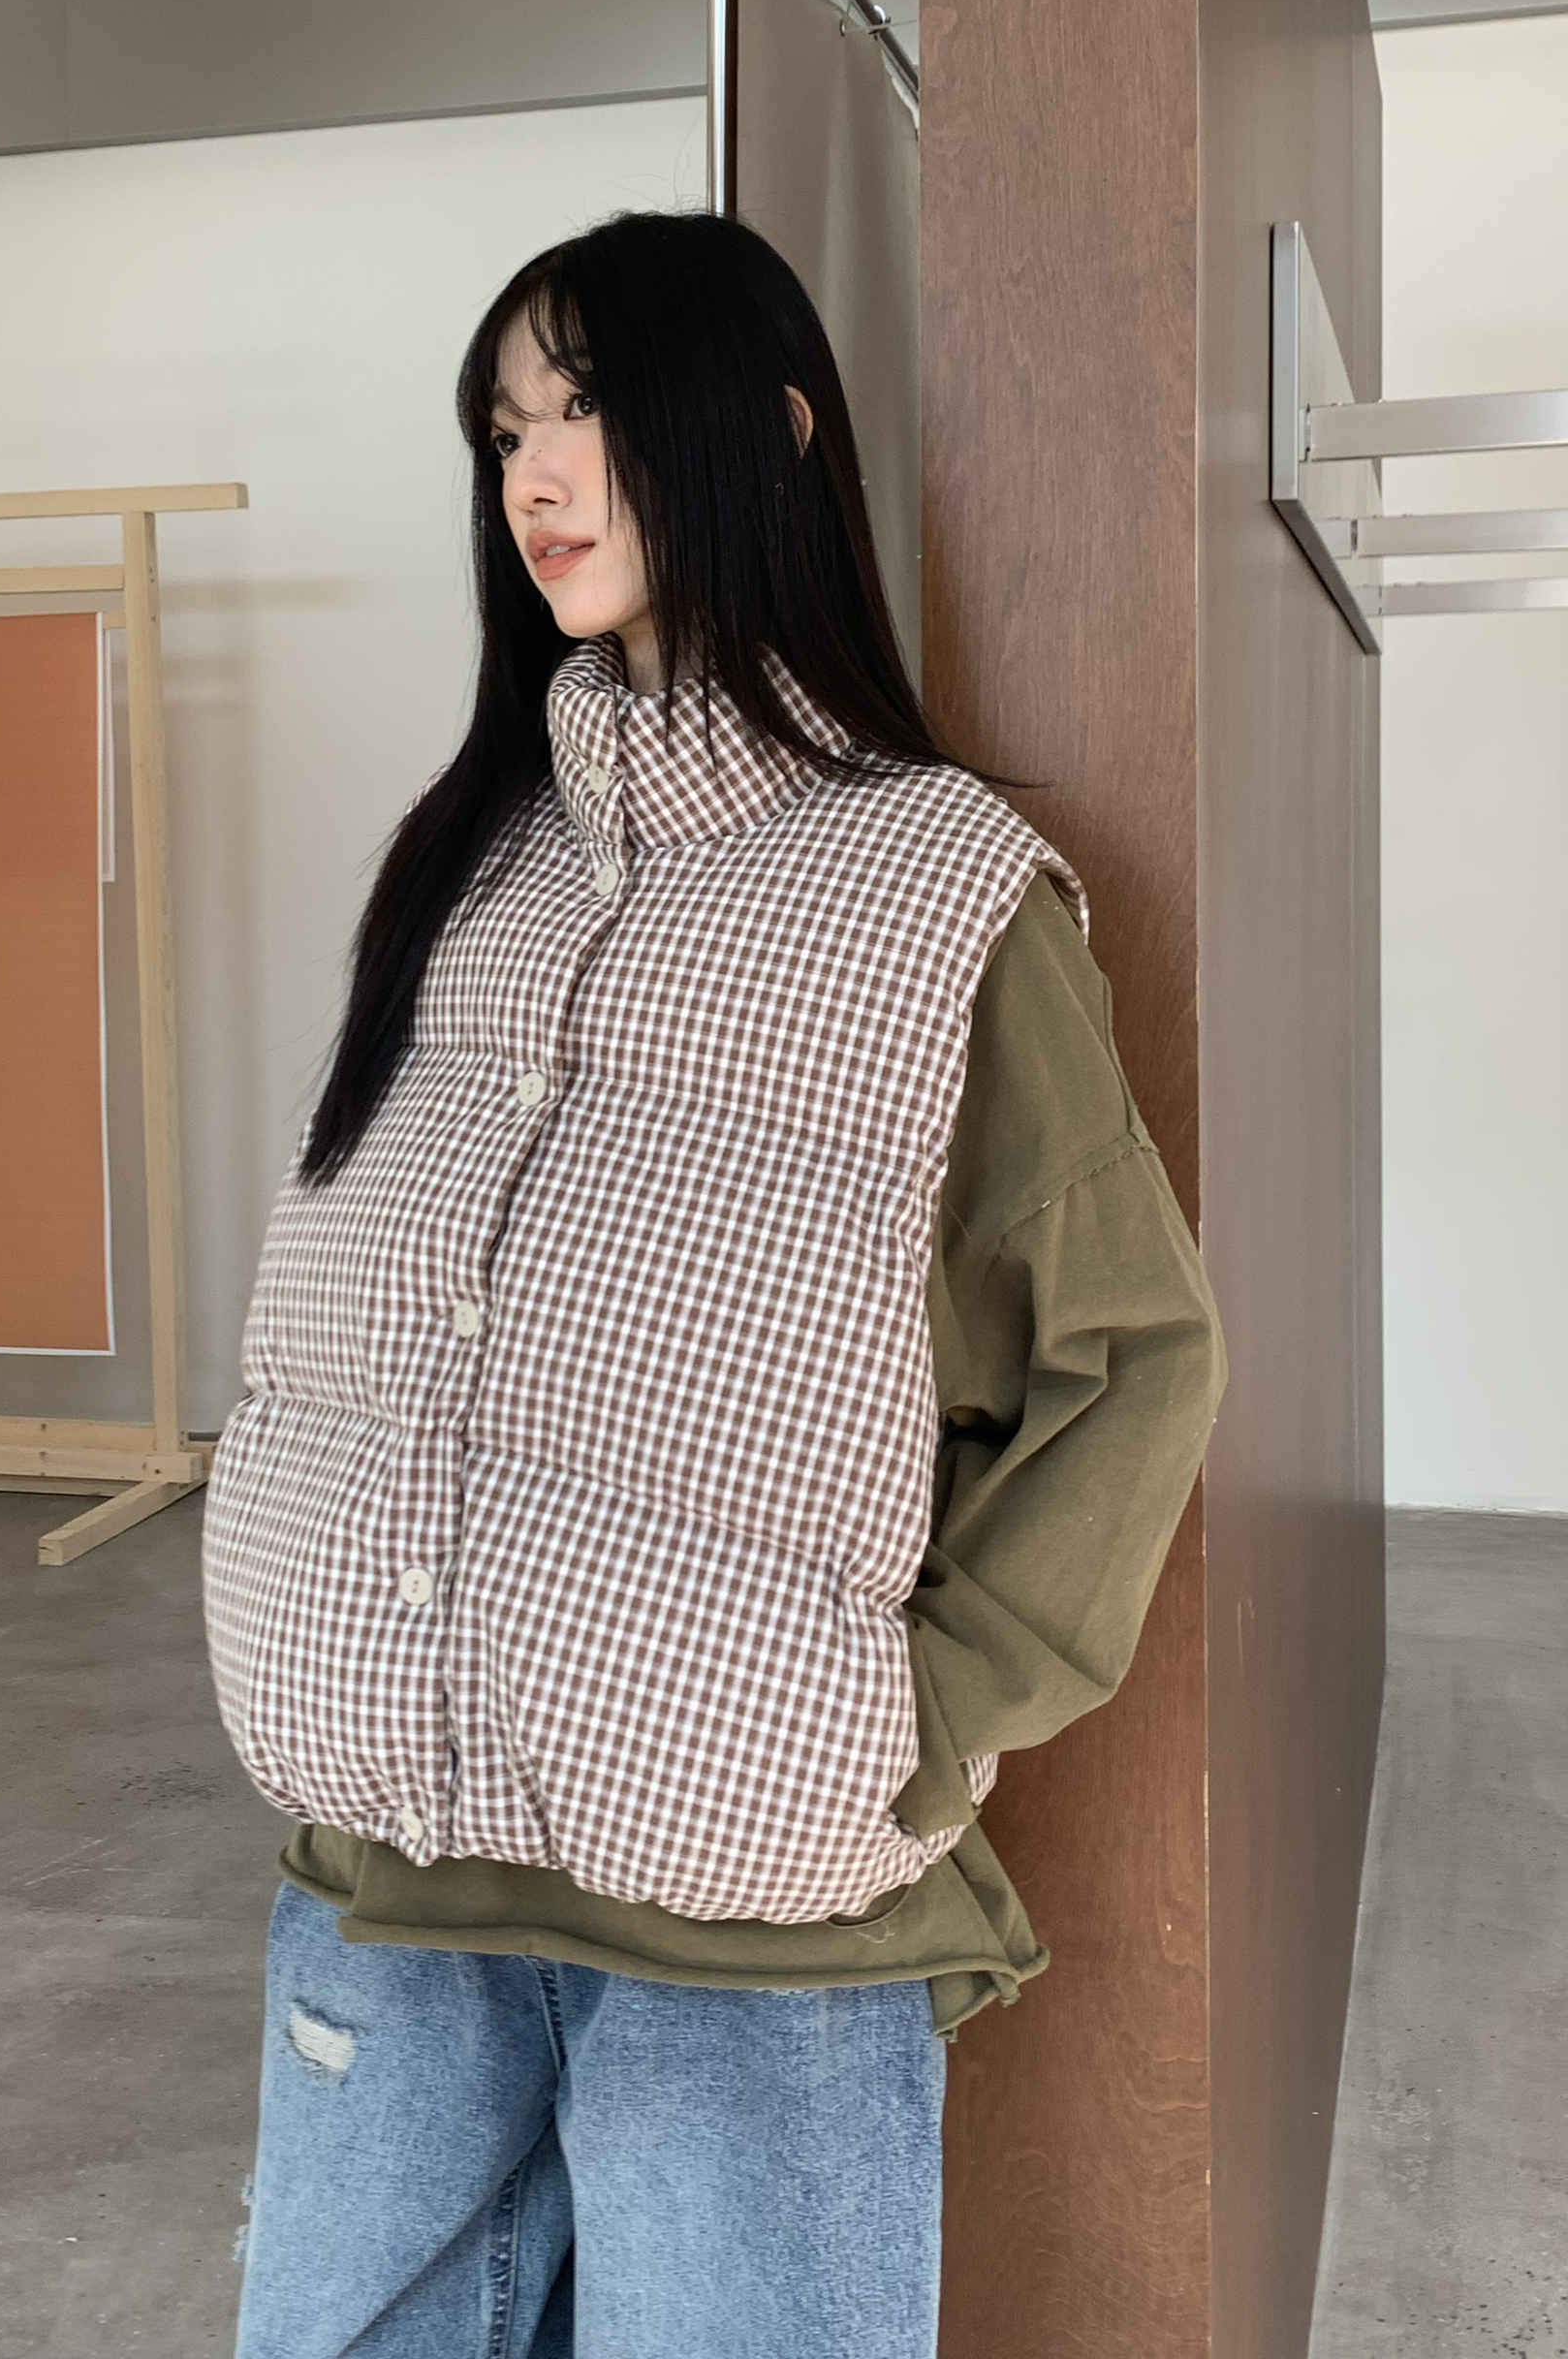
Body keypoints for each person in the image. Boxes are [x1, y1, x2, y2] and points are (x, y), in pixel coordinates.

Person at [202, 210, 1224, 2359]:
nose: (535, 475)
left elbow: (1127, 1358)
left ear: (771, 429)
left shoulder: (940, 890)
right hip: (390, 1862)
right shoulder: (463, 866)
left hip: (754, 1904)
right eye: (504, 430)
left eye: (586, 408)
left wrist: (915, 1730)